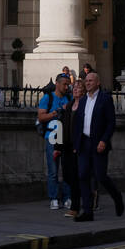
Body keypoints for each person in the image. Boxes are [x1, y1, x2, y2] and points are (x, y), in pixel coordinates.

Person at [72, 71, 124, 222]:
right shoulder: (82, 101)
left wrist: (104, 140)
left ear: (98, 83)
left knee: (100, 176)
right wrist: (76, 143)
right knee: (82, 176)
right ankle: (88, 212)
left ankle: (117, 196)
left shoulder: (105, 99)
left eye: (90, 81)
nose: (87, 83)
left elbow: (111, 123)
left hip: (98, 143)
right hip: (84, 143)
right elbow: (78, 123)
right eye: (86, 81)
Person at [36, 73, 72, 210]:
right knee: (53, 170)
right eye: (64, 84)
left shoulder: (69, 98)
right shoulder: (48, 98)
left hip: (66, 137)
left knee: (67, 169)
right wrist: (56, 112)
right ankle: (54, 198)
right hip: (52, 137)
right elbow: (41, 117)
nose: (67, 87)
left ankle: (67, 197)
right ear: (57, 84)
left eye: (68, 84)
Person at [56, 77, 86, 216]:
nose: (75, 89)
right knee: (67, 176)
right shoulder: (69, 105)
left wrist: (79, 145)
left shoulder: (85, 106)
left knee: (75, 177)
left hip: (78, 147)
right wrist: (57, 147)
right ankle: (87, 195)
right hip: (66, 146)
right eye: (74, 87)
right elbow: (61, 127)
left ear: (84, 91)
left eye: (78, 87)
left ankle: (75, 207)